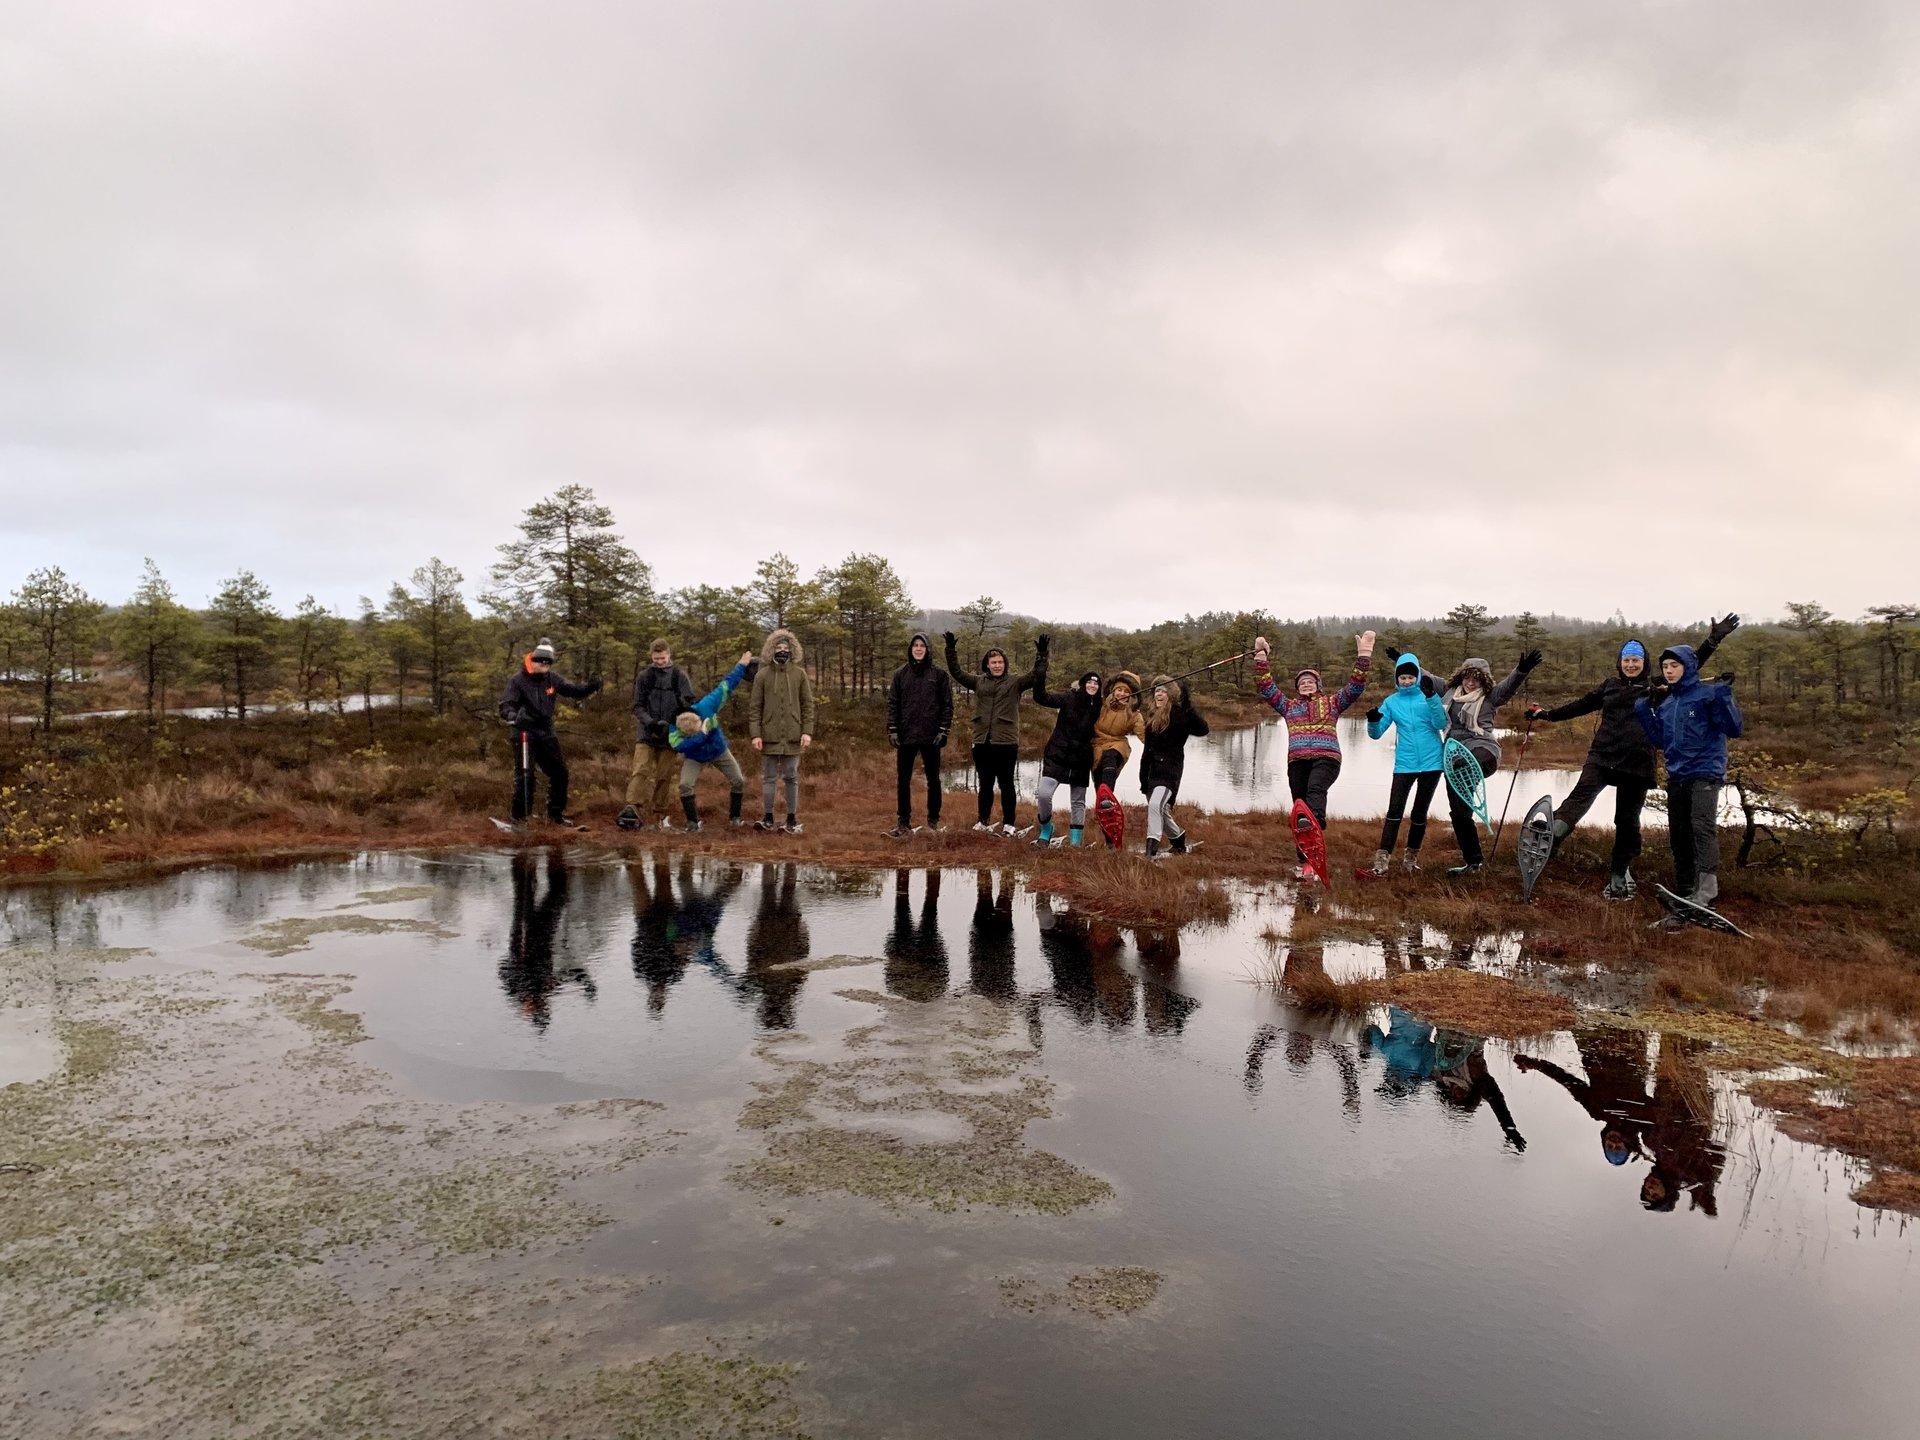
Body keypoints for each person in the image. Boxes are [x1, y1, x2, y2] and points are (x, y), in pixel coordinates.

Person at [1525, 616, 1739, 899]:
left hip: (1637, 762)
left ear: (1644, 663)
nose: (1630, 665)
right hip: (1603, 755)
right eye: (1626, 660)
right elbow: (1581, 705)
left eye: (1636, 660)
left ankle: (1618, 873)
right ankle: (1551, 839)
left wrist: (1713, 640)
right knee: (1579, 798)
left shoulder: (1656, 685)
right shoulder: (1609, 685)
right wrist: (1546, 715)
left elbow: (1688, 665)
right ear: (1620, 662)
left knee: (1627, 821)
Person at [1385, 646, 1541, 875]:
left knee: (1474, 758)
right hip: (1453, 756)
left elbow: (1508, 688)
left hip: (1482, 748)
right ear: (1461, 676)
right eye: (1468, 677)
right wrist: (1403, 660)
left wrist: (1521, 670)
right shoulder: (1448, 690)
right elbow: (1423, 675)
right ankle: (1473, 862)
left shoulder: (1491, 696)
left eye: (1476, 679)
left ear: (1484, 680)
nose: (1471, 682)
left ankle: (1468, 764)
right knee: (1459, 813)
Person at [1252, 630, 1375, 879]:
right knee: (1299, 807)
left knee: (1314, 793)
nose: (1306, 684)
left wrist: (1364, 655)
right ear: (1297, 688)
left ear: (1318, 685)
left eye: (1310, 681)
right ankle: (1306, 863)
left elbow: (1356, 686)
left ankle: (1316, 822)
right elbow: (1266, 687)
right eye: (1302, 682)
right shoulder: (1288, 706)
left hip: (1326, 757)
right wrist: (1260, 656)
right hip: (1297, 760)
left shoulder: (1332, 703)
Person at [1636, 644, 1744, 918]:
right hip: (1677, 774)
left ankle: (1707, 892)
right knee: (1679, 834)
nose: (1669, 671)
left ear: (1688, 667)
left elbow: (1734, 728)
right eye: (1665, 667)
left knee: (1701, 827)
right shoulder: (1669, 702)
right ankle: (1685, 890)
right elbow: (1659, 740)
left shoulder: (1707, 694)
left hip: (1706, 772)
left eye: (1675, 666)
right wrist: (1644, 708)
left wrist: (1724, 695)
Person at [944, 631, 1042, 835]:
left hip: (1006, 742)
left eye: (1000, 662)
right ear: (987, 665)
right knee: (985, 784)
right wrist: (951, 650)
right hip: (982, 741)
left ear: (1005, 664)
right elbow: (957, 673)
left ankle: (1009, 824)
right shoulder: (978, 681)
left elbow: (1036, 675)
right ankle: (983, 821)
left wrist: (1041, 655)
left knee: (1007, 784)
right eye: (993, 662)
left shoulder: (1015, 682)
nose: (997, 665)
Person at [497, 637, 602, 828]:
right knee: (525, 776)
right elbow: (505, 706)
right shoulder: (518, 680)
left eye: (547, 663)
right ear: (533, 660)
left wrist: (590, 687)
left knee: (560, 773)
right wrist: (515, 715)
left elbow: (573, 691)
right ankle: (519, 819)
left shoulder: (552, 679)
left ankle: (555, 815)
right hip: (524, 734)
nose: (543, 666)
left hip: (546, 733)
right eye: (540, 662)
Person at [1364, 653, 1448, 874]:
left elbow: (1440, 723)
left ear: (1418, 676)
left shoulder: (1429, 696)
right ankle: (1381, 861)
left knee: (1420, 813)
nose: (1407, 681)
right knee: (1394, 811)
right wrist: (1373, 722)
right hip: (1405, 764)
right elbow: (1376, 733)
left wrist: (1432, 699)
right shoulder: (1391, 702)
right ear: (1397, 679)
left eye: (1411, 677)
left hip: (1432, 763)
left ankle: (1410, 860)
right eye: (1403, 678)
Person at [667, 650, 756, 832]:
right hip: (694, 756)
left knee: (738, 780)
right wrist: (702, 734)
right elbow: (679, 746)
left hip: (718, 750)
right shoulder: (673, 724)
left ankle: (735, 819)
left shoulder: (707, 705)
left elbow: (726, 685)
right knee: (685, 785)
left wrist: (741, 665)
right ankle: (693, 823)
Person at [620, 639, 696, 830]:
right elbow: (637, 705)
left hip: (670, 734)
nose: (660, 662)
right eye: (656, 658)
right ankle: (632, 808)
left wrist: (672, 722)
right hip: (647, 733)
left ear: (669, 655)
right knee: (640, 770)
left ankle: (659, 814)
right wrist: (651, 723)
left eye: (662, 658)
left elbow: (688, 705)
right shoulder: (645, 676)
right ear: (651, 656)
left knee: (664, 775)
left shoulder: (679, 676)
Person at [886, 632, 954, 837]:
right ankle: (903, 822)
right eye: (915, 645)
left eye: (922, 645)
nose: (918, 648)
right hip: (906, 735)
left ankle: (933, 822)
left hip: (931, 735)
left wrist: (943, 730)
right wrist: (893, 729)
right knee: (903, 779)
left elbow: (947, 705)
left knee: (933, 779)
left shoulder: (939, 675)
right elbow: (893, 704)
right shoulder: (900, 674)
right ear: (911, 648)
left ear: (928, 649)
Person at [749, 627, 814, 834]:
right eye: (778, 646)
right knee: (768, 778)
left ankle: (791, 819)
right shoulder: (762, 675)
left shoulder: (799, 674)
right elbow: (755, 708)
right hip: (769, 736)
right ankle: (767, 818)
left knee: (791, 778)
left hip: (794, 736)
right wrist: (756, 734)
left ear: (792, 649)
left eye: (786, 647)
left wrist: (807, 731)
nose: (782, 650)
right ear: (771, 649)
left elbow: (808, 705)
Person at [1032, 657, 1101, 847]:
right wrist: (1040, 668)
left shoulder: (1099, 706)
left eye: (1096, 683)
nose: (1093, 685)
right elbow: (1041, 697)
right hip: (1058, 755)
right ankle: (1046, 829)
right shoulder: (1068, 698)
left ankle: (1075, 842)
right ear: (1082, 684)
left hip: (1081, 759)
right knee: (1044, 794)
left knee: (1078, 802)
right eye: (1089, 681)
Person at [1139, 674, 1209, 858]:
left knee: (1155, 805)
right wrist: (1142, 777)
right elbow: (1147, 751)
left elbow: (1203, 730)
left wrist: (1188, 705)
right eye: (1156, 690)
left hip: (1170, 772)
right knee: (1161, 810)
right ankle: (1178, 840)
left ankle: (1150, 850)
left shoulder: (1179, 715)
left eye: (1163, 690)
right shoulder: (1151, 720)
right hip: (1153, 773)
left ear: (1170, 694)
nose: (1158, 694)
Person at [1090, 670, 1145, 848]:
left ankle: (1108, 795)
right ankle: (1109, 840)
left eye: (1126, 692)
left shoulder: (1134, 714)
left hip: (1117, 745)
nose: (1121, 694)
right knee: (1100, 795)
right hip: (1096, 746)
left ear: (1132, 695)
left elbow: (1144, 735)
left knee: (1111, 756)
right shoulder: (1100, 705)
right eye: (1119, 690)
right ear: (1113, 690)